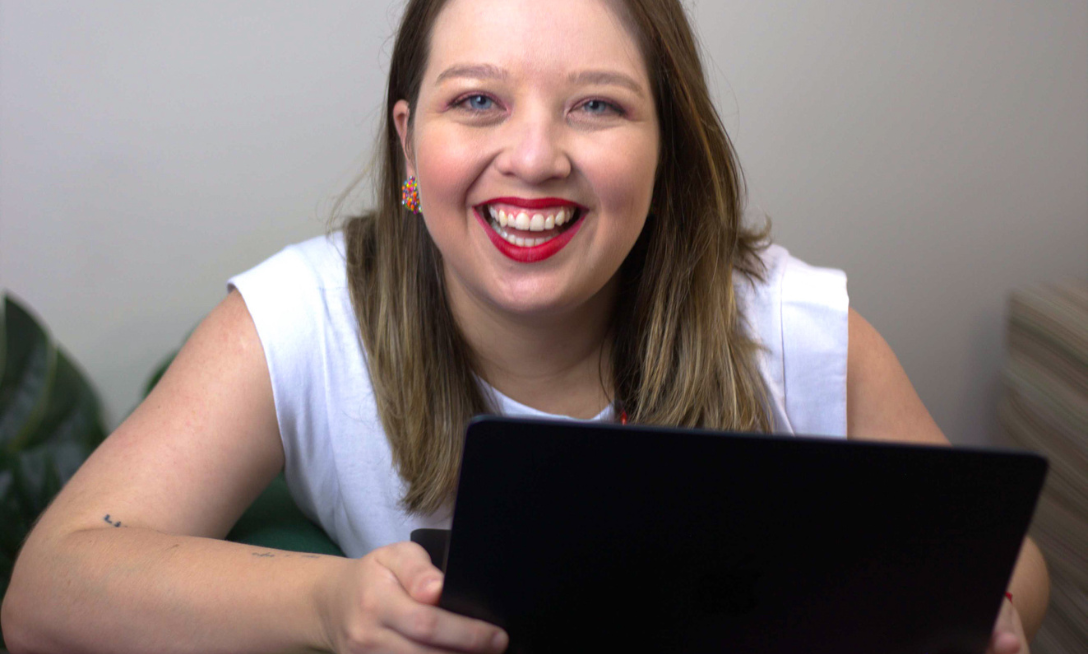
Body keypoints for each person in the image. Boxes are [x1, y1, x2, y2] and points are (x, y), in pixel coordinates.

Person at [1, 0, 1048, 652]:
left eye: (597, 105)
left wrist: (985, 611)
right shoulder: (304, 315)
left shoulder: (792, 323)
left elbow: (1015, 562)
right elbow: (49, 590)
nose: (536, 157)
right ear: (409, 143)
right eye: (477, 102)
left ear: (666, 147)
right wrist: (329, 606)